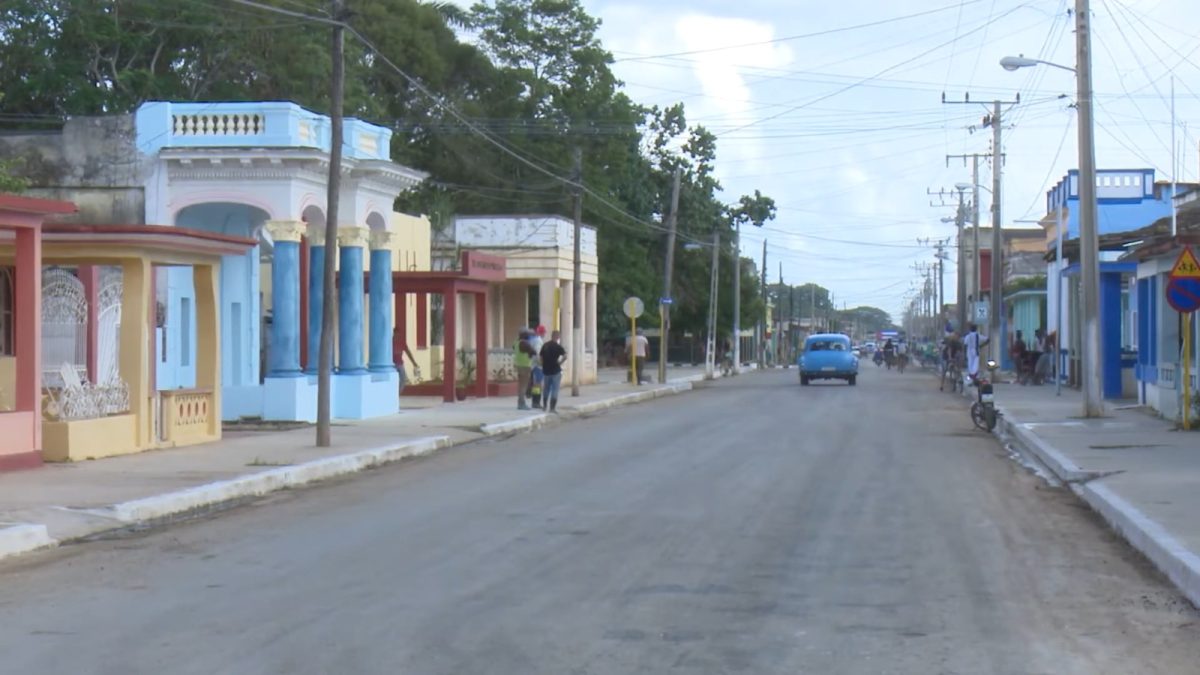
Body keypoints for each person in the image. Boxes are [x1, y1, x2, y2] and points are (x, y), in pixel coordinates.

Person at [539, 330, 567, 413]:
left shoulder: (545, 345)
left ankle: (544, 406)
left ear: (551, 336)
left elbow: (540, 357)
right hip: (556, 371)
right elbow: (565, 356)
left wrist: (543, 364)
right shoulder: (558, 347)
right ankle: (552, 408)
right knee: (555, 389)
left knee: (546, 389)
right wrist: (560, 363)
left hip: (546, 371)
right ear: (558, 337)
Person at [513, 329, 537, 410]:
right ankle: (521, 403)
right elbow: (534, 351)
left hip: (519, 365)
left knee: (521, 386)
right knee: (524, 386)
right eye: (528, 335)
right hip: (525, 366)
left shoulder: (516, 343)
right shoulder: (524, 343)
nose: (529, 336)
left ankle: (520, 402)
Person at [527, 325, 546, 409]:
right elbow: (539, 354)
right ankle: (536, 402)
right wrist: (542, 363)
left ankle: (535, 401)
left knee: (536, 384)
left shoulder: (533, 340)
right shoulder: (538, 341)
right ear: (542, 333)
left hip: (532, 364)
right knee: (537, 385)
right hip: (538, 366)